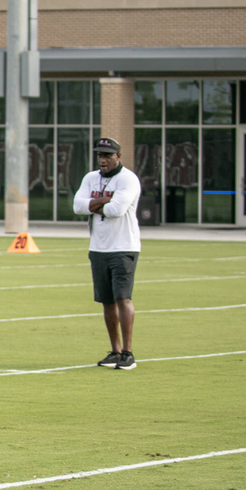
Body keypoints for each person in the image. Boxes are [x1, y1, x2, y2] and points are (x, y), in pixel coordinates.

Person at [73, 137, 141, 370]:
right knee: (106, 301)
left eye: (107, 155)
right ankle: (115, 351)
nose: (103, 159)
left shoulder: (128, 179)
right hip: (98, 247)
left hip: (123, 247)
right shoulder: (90, 178)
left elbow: (116, 210)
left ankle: (128, 353)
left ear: (118, 156)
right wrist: (102, 200)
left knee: (123, 298)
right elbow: (77, 206)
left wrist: (92, 205)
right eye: (100, 155)